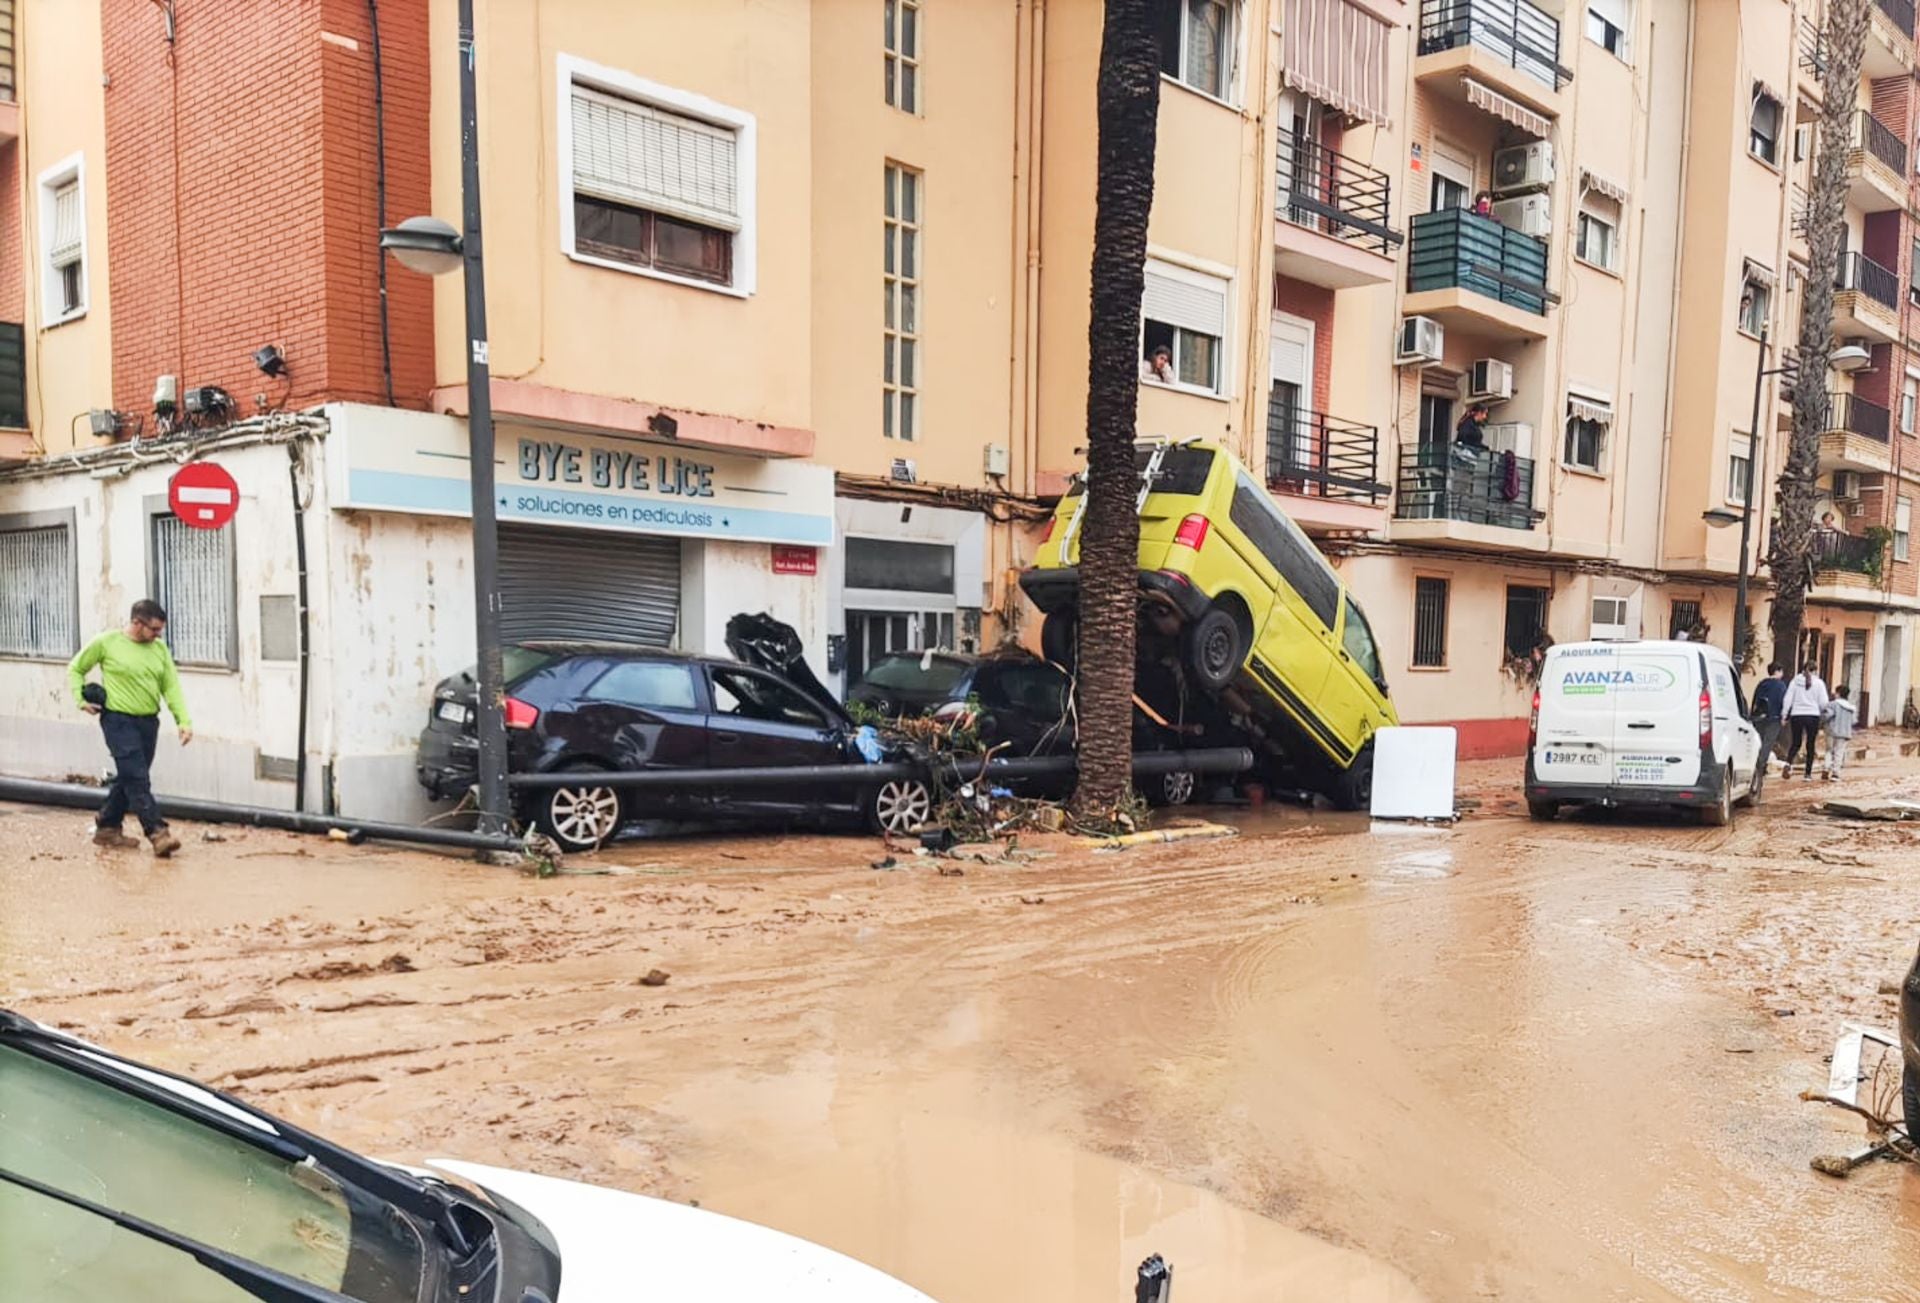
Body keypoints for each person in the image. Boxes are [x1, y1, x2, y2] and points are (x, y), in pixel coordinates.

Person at [68, 599, 192, 856]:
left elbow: (171, 686)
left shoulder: (159, 650)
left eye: (160, 630)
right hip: (118, 721)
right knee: (137, 777)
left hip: (148, 722)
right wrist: (81, 700)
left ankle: (107, 827)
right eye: (154, 629)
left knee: (130, 776)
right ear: (137, 623)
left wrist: (183, 721)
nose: (158, 635)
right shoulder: (107, 642)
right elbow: (76, 668)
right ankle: (157, 833)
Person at [1780, 663, 1829, 780]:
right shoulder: (1819, 683)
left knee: (1796, 742)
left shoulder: (1794, 682)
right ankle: (1807, 774)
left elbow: (1788, 699)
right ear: (1816, 671)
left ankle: (1788, 763)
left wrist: (1784, 715)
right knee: (1810, 744)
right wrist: (1823, 712)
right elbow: (1823, 702)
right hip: (1812, 715)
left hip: (1796, 715)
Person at [1749, 663, 1788, 795]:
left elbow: (1755, 702)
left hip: (1760, 719)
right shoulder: (1781, 686)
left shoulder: (1761, 684)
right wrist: (1784, 717)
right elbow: (1785, 702)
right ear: (1778, 671)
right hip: (1774, 719)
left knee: (1758, 744)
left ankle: (1755, 768)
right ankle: (1759, 771)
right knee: (1767, 745)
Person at [1824, 684, 1857, 781]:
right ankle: (1835, 773)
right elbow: (1854, 721)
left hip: (1831, 731)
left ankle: (1826, 768)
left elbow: (1827, 715)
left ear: (1838, 693)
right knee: (1839, 752)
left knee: (1829, 750)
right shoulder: (1851, 708)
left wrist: (1821, 721)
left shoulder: (1832, 704)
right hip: (1844, 733)